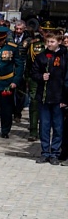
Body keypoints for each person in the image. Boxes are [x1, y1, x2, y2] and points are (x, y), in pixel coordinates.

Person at [31, 31, 68, 164]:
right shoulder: (41, 56)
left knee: (58, 127)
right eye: (47, 42)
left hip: (59, 98)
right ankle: (45, 152)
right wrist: (41, 77)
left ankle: (55, 153)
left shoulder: (65, 56)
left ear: (59, 42)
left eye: (52, 42)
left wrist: (65, 99)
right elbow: (33, 72)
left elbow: (66, 79)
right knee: (44, 126)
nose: (49, 44)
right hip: (44, 97)